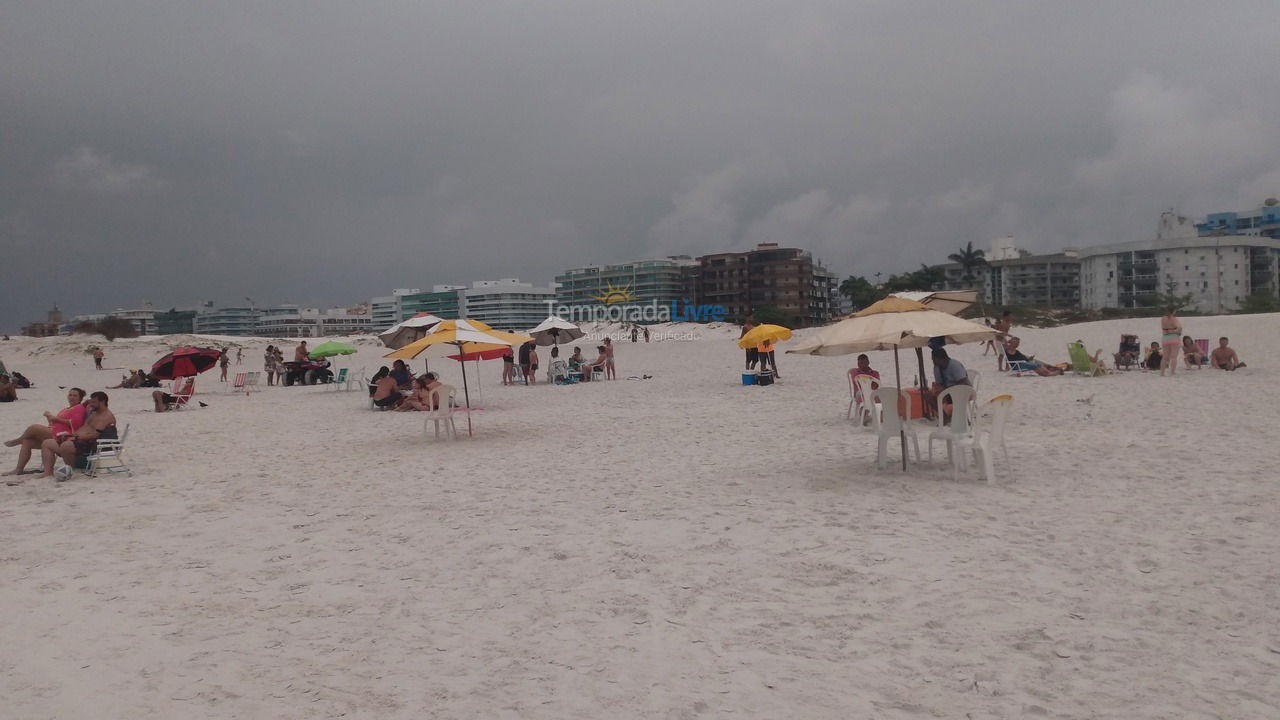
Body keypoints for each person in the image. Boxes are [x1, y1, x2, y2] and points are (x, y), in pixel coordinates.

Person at [4, 388, 87, 478]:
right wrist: (50, 418)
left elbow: (75, 424)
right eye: (70, 395)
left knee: (34, 427)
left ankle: (17, 441)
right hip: (53, 432)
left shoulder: (79, 408)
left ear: (80, 398)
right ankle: (18, 469)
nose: (72, 397)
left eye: (75, 395)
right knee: (27, 442)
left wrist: (55, 418)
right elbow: (56, 423)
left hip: (62, 435)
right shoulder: (66, 409)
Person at [37, 391, 116, 480]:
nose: (91, 404)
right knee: (47, 443)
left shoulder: (106, 416)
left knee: (66, 445)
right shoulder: (93, 413)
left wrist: (77, 437)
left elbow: (95, 434)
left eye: (94, 402)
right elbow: (84, 427)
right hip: (79, 440)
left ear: (102, 402)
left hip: (93, 444)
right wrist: (73, 435)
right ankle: (47, 473)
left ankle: (72, 469)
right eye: (91, 402)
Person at [924, 348, 969, 420]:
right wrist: (938, 390)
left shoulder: (954, 365)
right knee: (928, 395)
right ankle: (944, 416)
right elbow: (939, 384)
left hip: (960, 390)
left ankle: (956, 416)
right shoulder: (937, 368)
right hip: (947, 391)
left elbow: (964, 383)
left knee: (944, 395)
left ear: (940, 358)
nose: (933, 362)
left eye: (934, 359)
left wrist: (949, 390)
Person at [1160, 308, 1182, 376]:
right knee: (1174, 356)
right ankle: (1172, 372)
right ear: (1173, 312)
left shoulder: (1163, 318)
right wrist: (1174, 331)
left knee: (1165, 356)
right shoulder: (1174, 319)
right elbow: (1179, 327)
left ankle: (1162, 372)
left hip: (1165, 337)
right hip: (1173, 337)